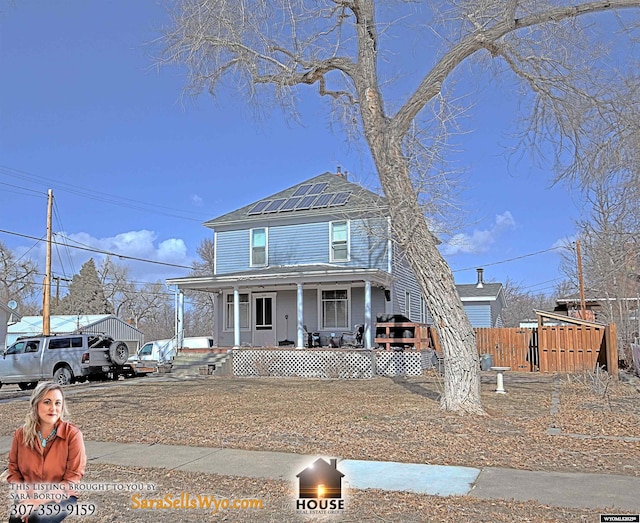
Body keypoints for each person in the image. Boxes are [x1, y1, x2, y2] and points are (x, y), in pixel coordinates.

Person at [6, 382, 86, 523]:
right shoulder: (20, 434)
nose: (53, 408)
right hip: (29, 493)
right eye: (47, 402)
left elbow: (72, 478)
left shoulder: (72, 435)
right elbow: (14, 471)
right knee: (15, 519)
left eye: (57, 403)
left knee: (38, 518)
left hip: (62, 496)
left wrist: (37, 502)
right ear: (36, 405)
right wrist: (25, 498)